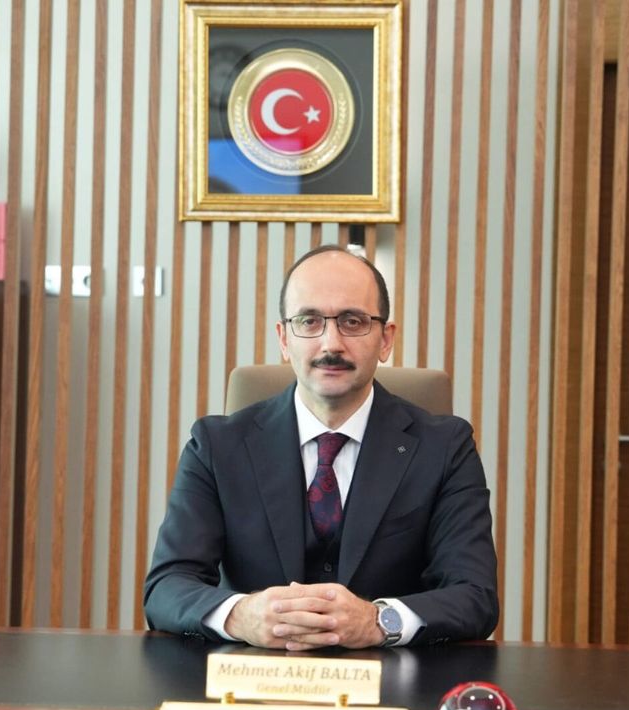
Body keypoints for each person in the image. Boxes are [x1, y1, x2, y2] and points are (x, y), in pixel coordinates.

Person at [143, 246, 498, 650]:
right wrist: (243, 615)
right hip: (251, 674)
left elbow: (475, 596)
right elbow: (167, 587)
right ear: (284, 338)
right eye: (309, 321)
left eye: (353, 321)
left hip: (394, 679)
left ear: (385, 340)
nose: (332, 344)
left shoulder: (445, 448)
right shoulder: (216, 446)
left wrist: (377, 620)